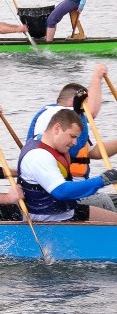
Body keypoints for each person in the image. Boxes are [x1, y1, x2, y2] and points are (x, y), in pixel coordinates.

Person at [27, 65, 117, 211]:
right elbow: (92, 112)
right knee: (105, 200)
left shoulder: (69, 130)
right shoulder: (56, 113)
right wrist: (96, 77)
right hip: (61, 195)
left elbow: (92, 153)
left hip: (78, 189)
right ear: (76, 102)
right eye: (85, 105)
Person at [18, 109, 117, 223]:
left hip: (64, 211)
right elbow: (62, 191)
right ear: (57, 128)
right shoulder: (39, 156)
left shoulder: (44, 139)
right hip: (47, 220)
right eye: (72, 136)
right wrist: (101, 181)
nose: (74, 142)